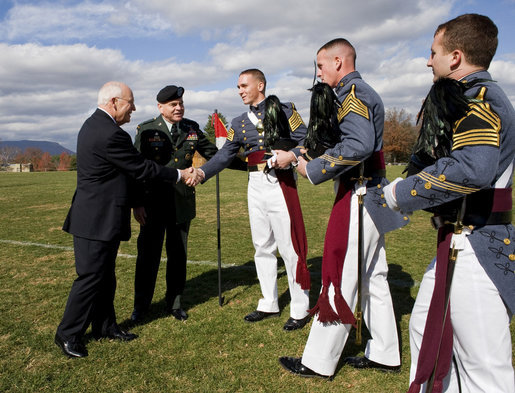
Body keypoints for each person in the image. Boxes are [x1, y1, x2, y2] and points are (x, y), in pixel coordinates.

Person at [383, 14, 514, 392]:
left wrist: (401, 194)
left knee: (483, 366)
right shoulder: (468, 95)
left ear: (455, 57)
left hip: (478, 241)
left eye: (433, 52)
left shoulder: (478, 98)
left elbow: (471, 169)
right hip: (459, 239)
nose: (428, 61)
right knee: (425, 326)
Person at [279, 39, 408, 379]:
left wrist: (316, 168)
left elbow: (359, 144)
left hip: (360, 192)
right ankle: (384, 352)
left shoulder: (353, 94)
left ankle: (318, 361)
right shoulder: (352, 93)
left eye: (320, 66)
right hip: (365, 190)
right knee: (373, 278)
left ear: (338, 61)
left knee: (342, 276)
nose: (318, 73)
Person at [55, 81, 194, 358]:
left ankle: (105, 326)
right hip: (96, 218)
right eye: (130, 103)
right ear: (114, 102)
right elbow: (141, 167)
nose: (133, 108)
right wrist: (179, 175)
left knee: (105, 276)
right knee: (91, 277)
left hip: (98, 217)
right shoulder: (110, 134)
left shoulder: (94, 125)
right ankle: (68, 334)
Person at [190, 69, 312, 331]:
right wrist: (202, 172)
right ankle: (268, 302)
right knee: (262, 245)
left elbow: (306, 140)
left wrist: (289, 155)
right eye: (238, 86)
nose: (240, 90)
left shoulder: (285, 110)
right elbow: (225, 155)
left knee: (289, 246)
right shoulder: (238, 121)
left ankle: (300, 307)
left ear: (261, 84)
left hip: (280, 181)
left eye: (244, 85)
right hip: (254, 184)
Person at [130, 85, 219, 322]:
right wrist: (137, 203)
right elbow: (137, 169)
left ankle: (175, 303)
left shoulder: (191, 128)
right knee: (148, 257)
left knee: (178, 256)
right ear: (160, 107)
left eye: (180, 103)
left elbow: (216, 154)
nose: (178, 107)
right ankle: (141, 306)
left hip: (182, 202)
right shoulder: (147, 129)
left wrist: (251, 162)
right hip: (153, 204)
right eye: (173, 104)